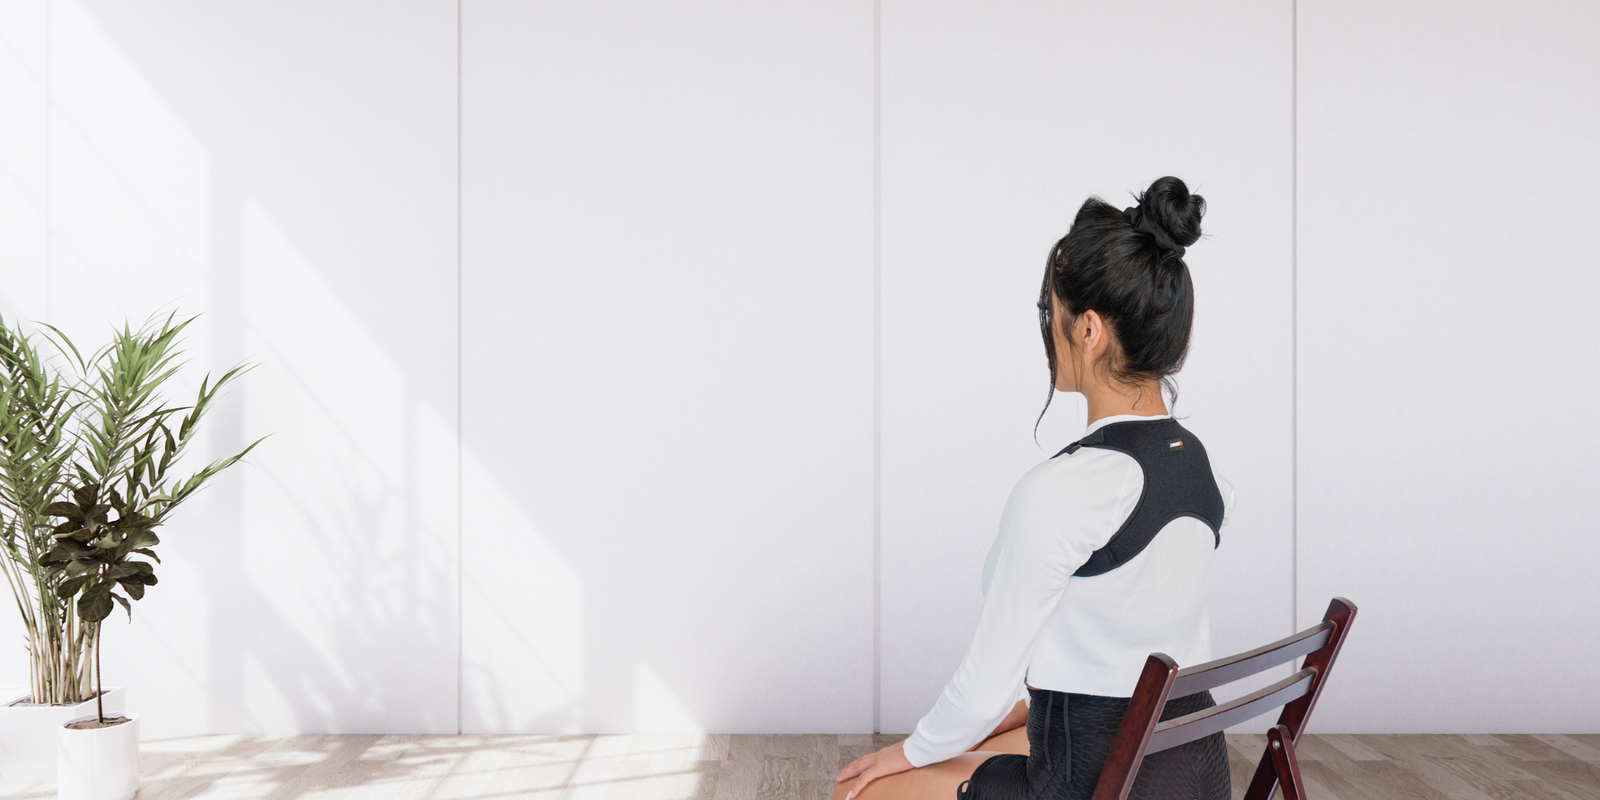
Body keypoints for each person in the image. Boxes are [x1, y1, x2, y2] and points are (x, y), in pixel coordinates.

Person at [833, 176, 1235, 800]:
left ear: (1089, 330)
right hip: (1187, 770)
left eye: (1052, 311)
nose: (1049, 328)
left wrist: (905, 754)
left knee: (860, 793)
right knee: (995, 730)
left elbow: (983, 686)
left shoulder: (1067, 487)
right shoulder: (1201, 467)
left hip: (1093, 782)